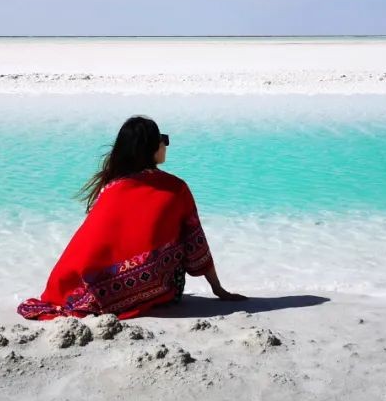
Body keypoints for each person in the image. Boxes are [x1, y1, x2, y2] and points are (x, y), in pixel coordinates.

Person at [17, 115, 246, 321]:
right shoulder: (175, 188)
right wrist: (217, 289)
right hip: (161, 290)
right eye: (162, 139)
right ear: (151, 148)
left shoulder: (113, 187)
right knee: (183, 232)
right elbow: (196, 244)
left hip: (96, 289)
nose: (165, 144)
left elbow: (91, 245)